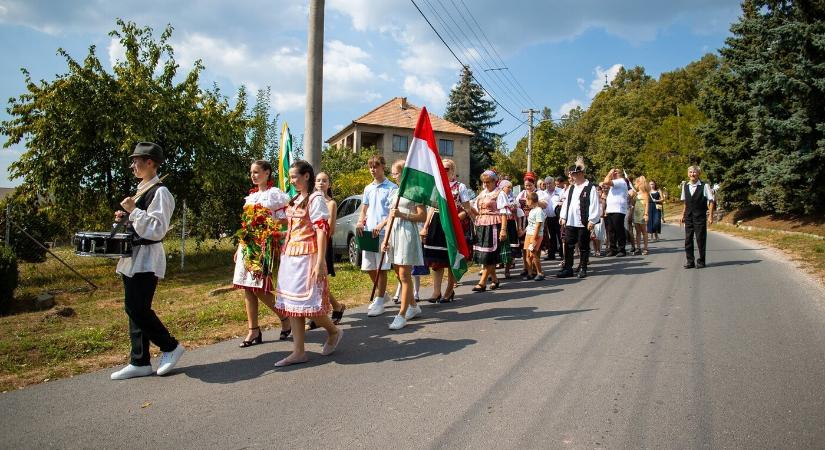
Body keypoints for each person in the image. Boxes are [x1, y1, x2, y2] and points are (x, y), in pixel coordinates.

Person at [111, 142, 184, 380]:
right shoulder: (142, 189)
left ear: (150, 162)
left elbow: (157, 229)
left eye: (136, 161)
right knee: (134, 310)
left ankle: (170, 346)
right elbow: (138, 223)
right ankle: (140, 361)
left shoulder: (160, 192)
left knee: (137, 308)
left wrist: (133, 211)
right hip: (133, 258)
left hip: (147, 259)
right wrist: (124, 218)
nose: (133, 165)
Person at [273, 160, 342, 367]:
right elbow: (293, 225)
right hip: (290, 257)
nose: (292, 180)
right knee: (294, 306)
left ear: (306, 176)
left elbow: (321, 230)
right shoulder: (295, 199)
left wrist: (320, 260)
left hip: (308, 256)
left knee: (311, 308)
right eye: (291, 177)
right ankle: (299, 351)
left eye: (295, 176)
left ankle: (334, 331)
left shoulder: (316, 198)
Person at [232, 160, 292, 346]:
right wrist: (239, 247)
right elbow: (246, 226)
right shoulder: (251, 197)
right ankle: (253, 331)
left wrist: (266, 224)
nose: (253, 175)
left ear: (267, 173)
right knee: (247, 287)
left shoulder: (274, 195)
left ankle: (284, 318)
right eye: (251, 172)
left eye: (257, 172)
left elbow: (286, 219)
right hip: (247, 246)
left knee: (259, 287)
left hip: (264, 245)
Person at [383, 160, 427, 330]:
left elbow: (422, 216)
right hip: (394, 232)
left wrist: (403, 214)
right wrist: (385, 240)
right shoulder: (395, 192)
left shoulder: (415, 191)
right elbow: (390, 217)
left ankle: (401, 314)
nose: (393, 176)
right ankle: (414, 307)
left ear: (404, 173)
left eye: (395, 172)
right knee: (397, 272)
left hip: (407, 232)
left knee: (404, 274)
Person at [422, 158, 474, 303]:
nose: (443, 171)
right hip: (437, 224)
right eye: (441, 169)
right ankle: (436, 291)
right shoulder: (437, 186)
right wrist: (426, 226)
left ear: (453, 170)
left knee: (451, 258)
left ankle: (449, 290)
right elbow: (432, 207)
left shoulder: (460, 187)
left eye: (446, 168)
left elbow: (467, 209)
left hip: (453, 224)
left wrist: (455, 220)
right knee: (436, 260)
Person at [356, 155, 397, 316]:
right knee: (369, 267)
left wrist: (381, 225)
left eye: (376, 166)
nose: (373, 169)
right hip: (368, 233)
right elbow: (364, 209)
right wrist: (360, 221)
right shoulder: (368, 188)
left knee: (382, 268)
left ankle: (380, 299)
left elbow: (392, 213)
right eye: (371, 167)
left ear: (383, 167)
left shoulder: (391, 187)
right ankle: (383, 294)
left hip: (383, 234)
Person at [306, 172, 346, 329]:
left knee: (319, 280)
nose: (321, 183)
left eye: (324, 180)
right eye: (318, 180)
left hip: (323, 244)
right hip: (308, 244)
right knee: (315, 280)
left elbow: (331, 229)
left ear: (329, 184)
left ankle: (323, 313)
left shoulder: (331, 203)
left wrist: (320, 237)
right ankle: (334, 307)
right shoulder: (310, 200)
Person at [558, 163, 601, 279]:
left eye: (574, 174)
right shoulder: (571, 188)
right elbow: (567, 203)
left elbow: (594, 204)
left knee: (583, 246)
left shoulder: (590, 187)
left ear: (581, 174)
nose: (571, 177)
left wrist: (592, 220)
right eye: (571, 174)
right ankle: (568, 268)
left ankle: (583, 268)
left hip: (583, 222)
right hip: (571, 222)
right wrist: (563, 217)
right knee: (568, 245)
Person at [471, 170, 509, 292]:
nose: (485, 184)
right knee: (484, 254)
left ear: (494, 181)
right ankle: (495, 279)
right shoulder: (482, 194)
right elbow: (476, 210)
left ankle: (482, 283)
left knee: (489, 254)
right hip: (481, 224)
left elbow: (503, 213)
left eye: (488, 182)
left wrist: (503, 229)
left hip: (493, 225)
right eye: (484, 182)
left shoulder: (500, 194)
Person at [680, 166, 715, 269]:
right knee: (688, 239)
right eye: (690, 172)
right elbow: (685, 202)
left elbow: (711, 201)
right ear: (688, 174)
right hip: (689, 216)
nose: (692, 174)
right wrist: (682, 215)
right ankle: (690, 261)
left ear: (698, 174)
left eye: (694, 172)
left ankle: (701, 261)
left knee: (700, 239)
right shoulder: (685, 186)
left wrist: (710, 216)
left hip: (700, 216)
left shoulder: (704, 186)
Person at [515, 172, 549, 276]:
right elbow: (517, 207)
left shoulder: (540, 193)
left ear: (534, 184)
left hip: (536, 221)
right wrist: (519, 226)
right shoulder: (521, 194)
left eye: (530, 185)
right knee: (524, 247)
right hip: (524, 220)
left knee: (535, 247)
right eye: (526, 185)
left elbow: (545, 205)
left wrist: (534, 201)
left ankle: (535, 269)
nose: (528, 187)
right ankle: (526, 267)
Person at [603, 168, 631, 257]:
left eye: (615, 172)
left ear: (619, 173)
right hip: (611, 209)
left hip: (618, 209)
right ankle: (613, 249)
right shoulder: (615, 183)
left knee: (619, 229)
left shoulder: (621, 181)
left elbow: (606, 181)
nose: (613, 174)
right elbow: (604, 184)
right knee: (611, 230)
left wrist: (609, 173)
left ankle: (622, 249)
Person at [499, 179, 523, 279]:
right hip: (501, 223)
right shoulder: (498, 196)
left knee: (511, 248)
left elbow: (518, 213)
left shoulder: (513, 198)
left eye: (510, 187)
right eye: (507, 187)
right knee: (500, 247)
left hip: (511, 223)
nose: (509, 189)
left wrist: (519, 227)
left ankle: (507, 270)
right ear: (502, 187)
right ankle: (494, 271)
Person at [523, 192, 546, 281]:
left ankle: (540, 272)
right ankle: (530, 273)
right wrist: (523, 232)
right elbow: (530, 224)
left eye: (527, 201)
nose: (526, 203)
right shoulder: (532, 210)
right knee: (527, 255)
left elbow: (538, 225)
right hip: (529, 234)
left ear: (531, 200)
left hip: (536, 235)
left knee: (533, 253)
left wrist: (534, 238)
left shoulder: (539, 211)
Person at [542, 176, 561, 261]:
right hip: (548, 218)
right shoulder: (543, 193)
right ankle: (551, 254)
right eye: (546, 184)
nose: (548, 185)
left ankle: (562, 254)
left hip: (558, 218)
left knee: (560, 236)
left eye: (550, 183)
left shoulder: (560, 191)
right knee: (551, 237)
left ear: (554, 183)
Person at [631, 176, 650, 255]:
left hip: (642, 213)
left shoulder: (645, 194)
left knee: (644, 232)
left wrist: (646, 214)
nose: (635, 184)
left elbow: (646, 205)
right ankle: (638, 248)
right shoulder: (636, 193)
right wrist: (632, 197)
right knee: (637, 232)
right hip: (636, 213)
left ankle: (645, 248)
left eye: (637, 182)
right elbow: (632, 203)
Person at [591, 184, 607, 257]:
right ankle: (595, 250)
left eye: (598, 190)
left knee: (598, 236)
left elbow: (603, 211)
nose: (597, 192)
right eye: (596, 190)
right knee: (593, 236)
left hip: (600, 219)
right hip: (593, 219)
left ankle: (598, 250)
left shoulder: (603, 200)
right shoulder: (591, 200)